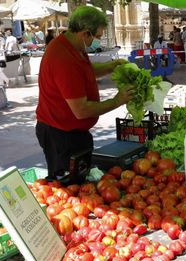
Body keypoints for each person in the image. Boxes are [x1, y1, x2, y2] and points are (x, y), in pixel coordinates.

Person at [35, 6, 134, 181]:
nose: (98, 41)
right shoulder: (63, 58)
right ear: (85, 33)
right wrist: (117, 100)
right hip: (60, 135)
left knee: (81, 182)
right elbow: (81, 110)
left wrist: (111, 66)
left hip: (72, 132)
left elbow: (84, 71)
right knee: (67, 187)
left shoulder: (74, 46)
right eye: (97, 37)